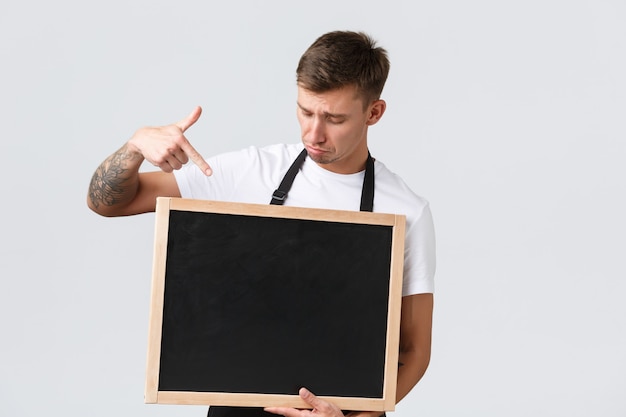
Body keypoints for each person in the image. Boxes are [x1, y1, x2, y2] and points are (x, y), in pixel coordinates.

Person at [87, 30, 435, 417]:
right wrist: (134, 147)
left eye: (334, 118)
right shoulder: (250, 172)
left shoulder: (407, 210)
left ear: (374, 113)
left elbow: (414, 351)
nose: (313, 134)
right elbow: (108, 203)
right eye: (305, 111)